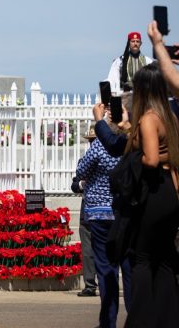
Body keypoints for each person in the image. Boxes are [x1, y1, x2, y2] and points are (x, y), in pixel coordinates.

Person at [121, 63, 179, 327]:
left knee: (142, 259)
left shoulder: (147, 118)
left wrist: (138, 156)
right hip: (171, 189)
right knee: (164, 259)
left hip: (153, 193)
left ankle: (140, 320)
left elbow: (151, 159)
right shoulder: (171, 117)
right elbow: (166, 154)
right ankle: (168, 317)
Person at [76, 129, 131, 328]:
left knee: (106, 268)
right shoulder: (129, 143)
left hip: (99, 212)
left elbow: (81, 171)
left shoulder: (99, 147)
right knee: (128, 267)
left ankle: (108, 320)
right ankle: (135, 317)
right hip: (123, 210)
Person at [70, 175, 98, 298]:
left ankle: (107, 284)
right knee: (87, 253)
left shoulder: (112, 161)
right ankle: (90, 285)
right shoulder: (85, 163)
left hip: (107, 215)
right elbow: (75, 186)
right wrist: (82, 183)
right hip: (87, 216)